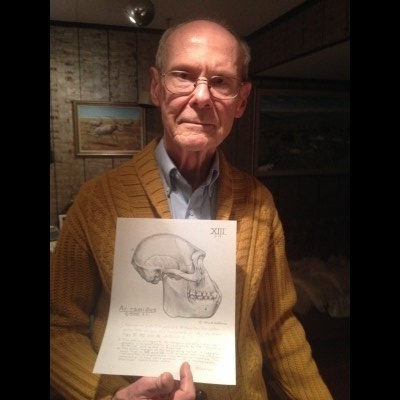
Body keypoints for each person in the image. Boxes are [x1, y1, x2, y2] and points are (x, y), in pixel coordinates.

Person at [50, 18, 333, 400]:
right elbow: (58, 326)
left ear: (242, 101)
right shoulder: (97, 201)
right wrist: (104, 394)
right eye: (183, 75)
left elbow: (277, 327)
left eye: (220, 82)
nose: (201, 97)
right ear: (156, 86)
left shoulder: (259, 204)